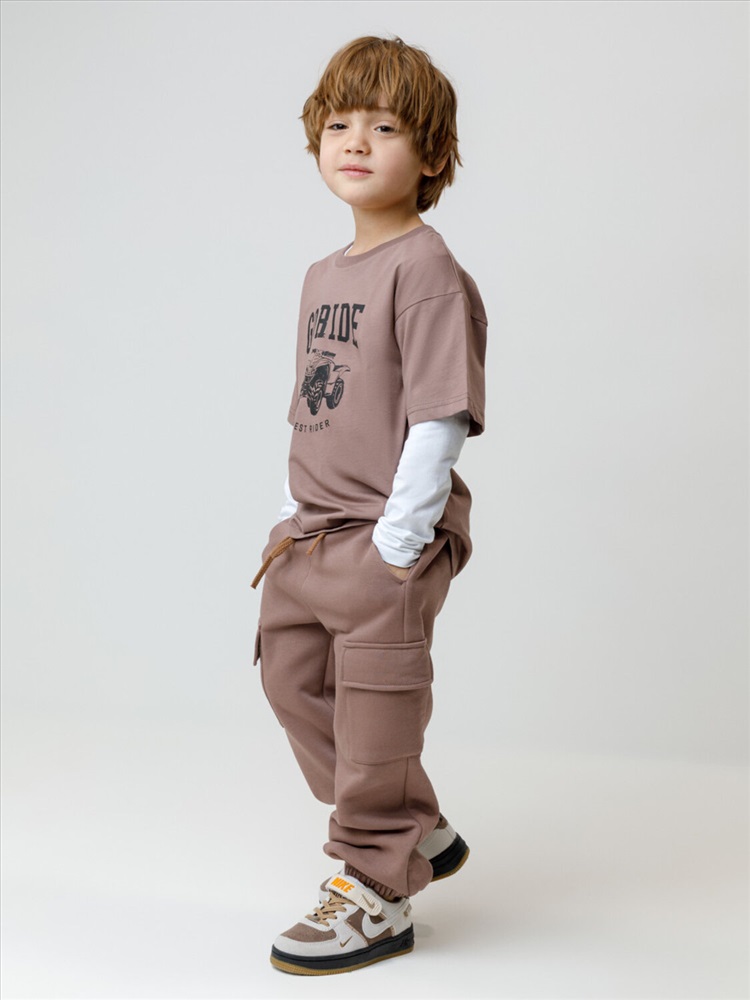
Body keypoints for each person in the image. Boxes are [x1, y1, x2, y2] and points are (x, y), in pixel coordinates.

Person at [250, 34, 488, 976]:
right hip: (309, 534)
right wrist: (289, 506)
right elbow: (319, 404)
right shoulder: (324, 275)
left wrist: (400, 542)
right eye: (340, 124)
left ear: (430, 155)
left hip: (386, 536)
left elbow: (439, 412)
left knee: (379, 716)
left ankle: (376, 886)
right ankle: (413, 825)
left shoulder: (426, 268)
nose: (356, 141)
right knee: (290, 681)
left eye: (385, 127)